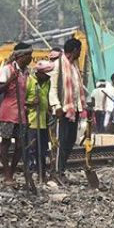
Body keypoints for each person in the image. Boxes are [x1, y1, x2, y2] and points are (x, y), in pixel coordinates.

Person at [46, 38, 85, 182]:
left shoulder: (74, 66)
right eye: (79, 50)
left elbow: (76, 89)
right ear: (75, 50)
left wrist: (80, 106)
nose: (80, 53)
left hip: (73, 110)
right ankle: (56, 172)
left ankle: (61, 169)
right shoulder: (58, 65)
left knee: (70, 140)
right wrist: (56, 106)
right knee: (60, 142)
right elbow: (53, 88)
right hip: (62, 111)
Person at [0, 43, 34, 185]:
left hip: (21, 113)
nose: (31, 58)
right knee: (6, 143)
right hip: (8, 112)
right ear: (21, 56)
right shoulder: (8, 69)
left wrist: (30, 103)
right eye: (29, 55)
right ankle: (7, 175)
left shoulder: (26, 72)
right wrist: (10, 80)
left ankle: (12, 172)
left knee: (20, 145)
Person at [25, 59, 54, 183]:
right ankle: (30, 174)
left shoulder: (47, 82)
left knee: (42, 150)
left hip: (43, 121)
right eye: (45, 74)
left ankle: (42, 173)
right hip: (31, 121)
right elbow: (21, 101)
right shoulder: (29, 81)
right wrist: (31, 102)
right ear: (39, 73)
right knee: (31, 149)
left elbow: (47, 97)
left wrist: (49, 108)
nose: (48, 76)